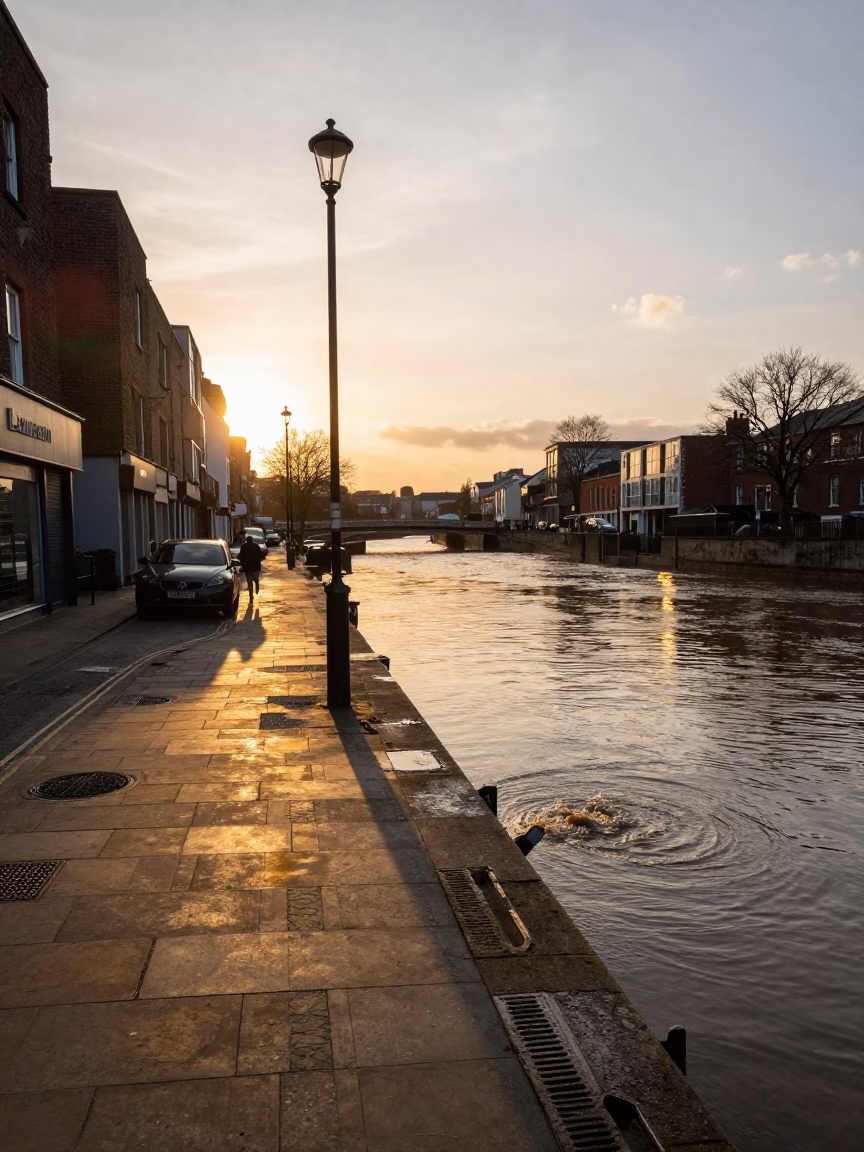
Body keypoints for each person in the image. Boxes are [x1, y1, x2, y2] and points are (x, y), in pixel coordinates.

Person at [238, 534, 265, 601]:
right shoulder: (255, 546)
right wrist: (262, 557)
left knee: (249, 582)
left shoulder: (243, 546)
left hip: (247, 567)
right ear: (252, 540)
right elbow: (261, 554)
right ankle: (256, 587)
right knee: (255, 579)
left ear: (246, 540)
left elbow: (240, 556)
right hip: (255, 566)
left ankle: (251, 596)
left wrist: (240, 561)